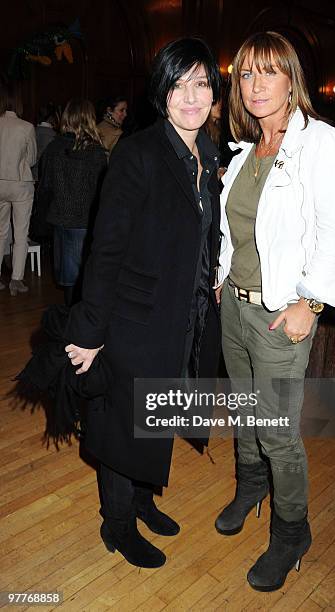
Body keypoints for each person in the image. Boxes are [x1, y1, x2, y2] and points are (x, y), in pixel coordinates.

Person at [64, 38, 222, 568]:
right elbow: (103, 252)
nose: (191, 96)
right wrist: (88, 331)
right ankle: (117, 523)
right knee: (125, 422)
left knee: (161, 414)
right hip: (137, 319)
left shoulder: (209, 158)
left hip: (186, 317)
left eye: (201, 83)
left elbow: (204, 236)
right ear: (162, 92)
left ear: (213, 92)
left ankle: (143, 497)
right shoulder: (137, 154)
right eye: (179, 85)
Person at [214, 31, 335, 591]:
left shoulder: (320, 142)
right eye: (246, 74)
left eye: (269, 71)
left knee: (277, 430)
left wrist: (311, 301)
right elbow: (234, 229)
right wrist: (222, 277)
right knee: (246, 411)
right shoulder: (248, 151)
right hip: (236, 307)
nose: (256, 85)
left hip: (280, 318)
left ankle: (292, 529)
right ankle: (251, 484)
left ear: (292, 79)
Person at [38, 99, 107, 306]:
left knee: (68, 278)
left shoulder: (54, 147)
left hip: (60, 217)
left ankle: (71, 320)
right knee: (80, 277)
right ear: (89, 119)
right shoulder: (96, 153)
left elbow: (46, 184)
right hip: (84, 220)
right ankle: (76, 324)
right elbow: (102, 191)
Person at [0, 79, 37, 295]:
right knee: (21, 233)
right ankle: (16, 280)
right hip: (20, 183)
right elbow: (32, 158)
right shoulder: (26, 127)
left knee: (0, 232)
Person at [32, 103, 58, 181]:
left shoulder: (32, 131)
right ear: (51, 118)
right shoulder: (54, 136)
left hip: (31, 175)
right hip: (45, 177)